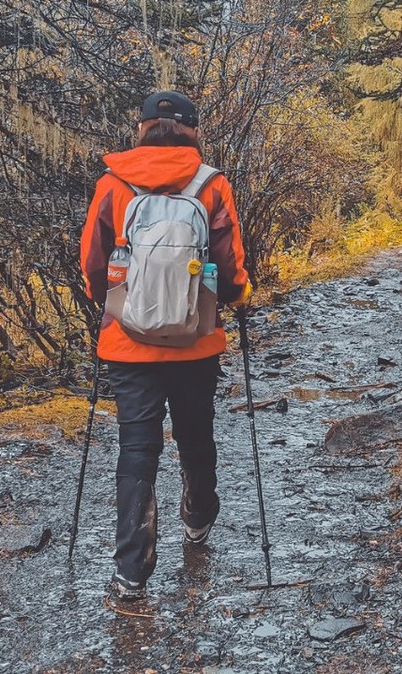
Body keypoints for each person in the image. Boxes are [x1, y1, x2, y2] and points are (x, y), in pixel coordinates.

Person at [79, 90, 253, 601]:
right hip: (196, 341)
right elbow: (230, 262)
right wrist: (237, 295)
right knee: (196, 432)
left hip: (128, 343)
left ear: (142, 128)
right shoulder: (212, 185)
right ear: (193, 131)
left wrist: (112, 308)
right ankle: (198, 516)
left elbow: (93, 261)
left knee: (137, 447)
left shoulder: (113, 184)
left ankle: (131, 571)